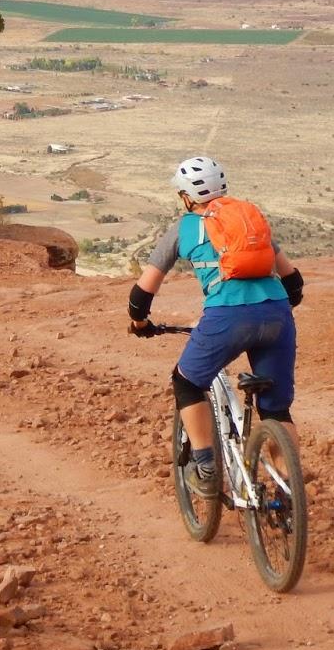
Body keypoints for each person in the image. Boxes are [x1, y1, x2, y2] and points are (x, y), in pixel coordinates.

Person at [127, 155, 303, 497]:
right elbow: (293, 282)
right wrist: (274, 311)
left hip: (226, 316)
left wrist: (140, 322)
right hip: (277, 314)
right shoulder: (250, 219)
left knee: (186, 381)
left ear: (185, 197)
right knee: (277, 408)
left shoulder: (185, 228)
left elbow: (143, 291)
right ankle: (290, 491)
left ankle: (206, 468)